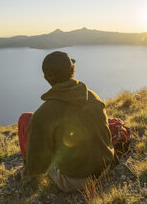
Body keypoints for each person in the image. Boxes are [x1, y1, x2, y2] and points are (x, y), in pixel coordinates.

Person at [17, 51, 114, 192]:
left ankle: (24, 174)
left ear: (47, 77)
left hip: (76, 181)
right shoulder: (93, 96)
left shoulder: (42, 115)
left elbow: (37, 167)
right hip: (106, 167)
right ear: (72, 70)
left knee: (25, 119)